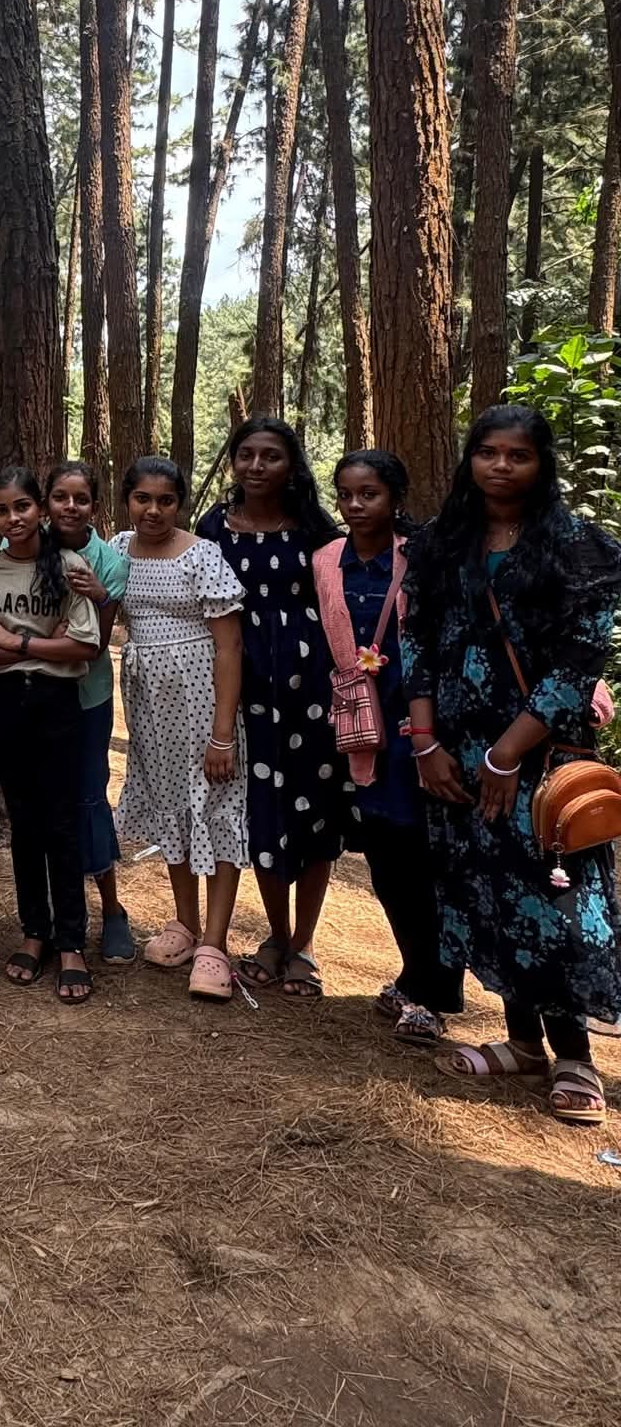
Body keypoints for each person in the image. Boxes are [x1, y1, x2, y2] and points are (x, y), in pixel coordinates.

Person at [404, 406, 621, 1124]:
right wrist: (426, 742)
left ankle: (575, 1057)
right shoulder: (441, 543)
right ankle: (524, 1043)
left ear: (541, 463)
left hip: (539, 756)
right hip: (454, 754)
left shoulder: (580, 549)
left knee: (554, 899)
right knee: (484, 890)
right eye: (488, 452)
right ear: (470, 459)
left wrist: (507, 753)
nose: (501, 466)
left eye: (518, 455)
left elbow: (579, 663)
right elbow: (417, 641)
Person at [313, 450, 461, 1047]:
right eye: (346, 494)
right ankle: (414, 973)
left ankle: (433, 993)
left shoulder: (422, 556)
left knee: (425, 863)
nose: (355, 505)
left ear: (396, 498)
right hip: (360, 734)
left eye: (369, 494)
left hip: (419, 731)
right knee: (386, 862)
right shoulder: (328, 560)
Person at [197, 416, 343, 1000]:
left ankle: (303, 945)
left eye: (271, 456)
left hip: (311, 692)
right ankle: (275, 936)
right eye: (246, 454)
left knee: (313, 814)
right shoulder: (214, 527)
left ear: (291, 465)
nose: (256, 466)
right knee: (262, 814)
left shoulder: (314, 527)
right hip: (244, 690)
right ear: (234, 461)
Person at [0, 461, 133, 964]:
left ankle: (71, 941)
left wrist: (16, 642)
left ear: (38, 509)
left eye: (22, 506)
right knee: (25, 822)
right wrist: (46, 648)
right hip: (6, 704)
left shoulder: (70, 566)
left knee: (64, 819)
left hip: (63, 704)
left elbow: (85, 646)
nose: (13, 518)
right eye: (1, 510)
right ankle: (34, 931)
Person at [113, 458, 249, 1002]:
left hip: (201, 699)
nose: (153, 510)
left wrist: (223, 733)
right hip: (149, 704)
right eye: (142, 498)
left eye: (165, 500)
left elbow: (229, 645)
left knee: (216, 806)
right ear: (127, 499)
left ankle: (215, 943)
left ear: (180, 504)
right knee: (171, 804)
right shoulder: (118, 549)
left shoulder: (201, 555)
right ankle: (185, 922)